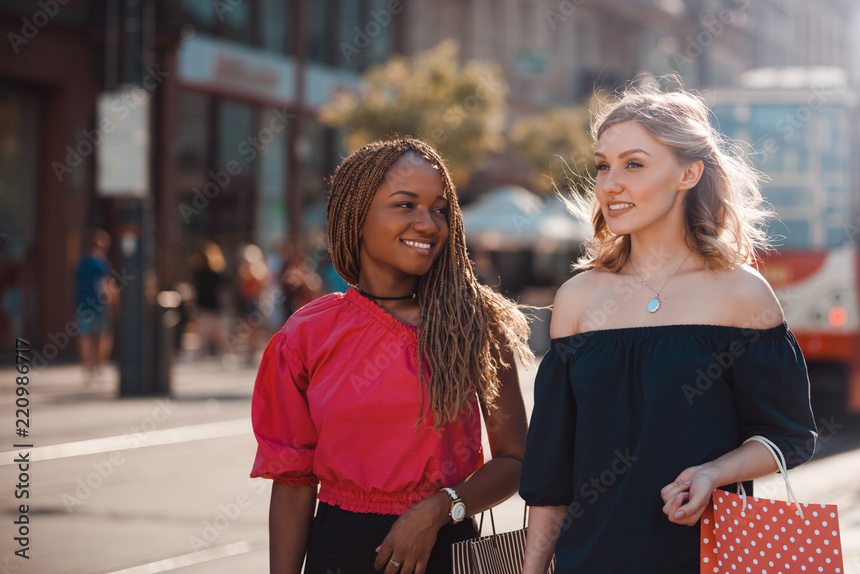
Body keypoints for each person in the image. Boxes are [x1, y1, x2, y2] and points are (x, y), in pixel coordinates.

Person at [519, 84, 818, 573]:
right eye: (603, 165)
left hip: (709, 559)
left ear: (688, 172)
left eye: (633, 164)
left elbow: (788, 436)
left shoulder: (742, 294)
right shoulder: (576, 299)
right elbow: (551, 477)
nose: (610, 183)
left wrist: (713, 473)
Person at [251, 138, 532, 574]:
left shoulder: (475, 324)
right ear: (357, 216)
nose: (428, 224)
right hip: (337, 552)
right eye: (406, 205)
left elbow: (515, 461)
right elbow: (293, 482)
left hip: (447, 549)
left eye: (439, 209)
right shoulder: (306, 335)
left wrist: (440, 509)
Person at [75, 228, 115, 383]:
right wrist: (113, 304)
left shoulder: (81, 263)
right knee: (104, 336)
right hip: (99, 305)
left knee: (85, 336)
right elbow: (105, 285)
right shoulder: (101, 263)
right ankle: (98, 364)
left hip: (82, 304)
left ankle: (86, 367)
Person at [190, 240, 229, 361]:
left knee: (205, 332)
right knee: (214, 332)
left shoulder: (199, 272)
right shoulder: (214, 272)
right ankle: (221, 354)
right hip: (212, 304)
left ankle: (204, 354)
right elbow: (223, 290)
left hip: (204, 304)